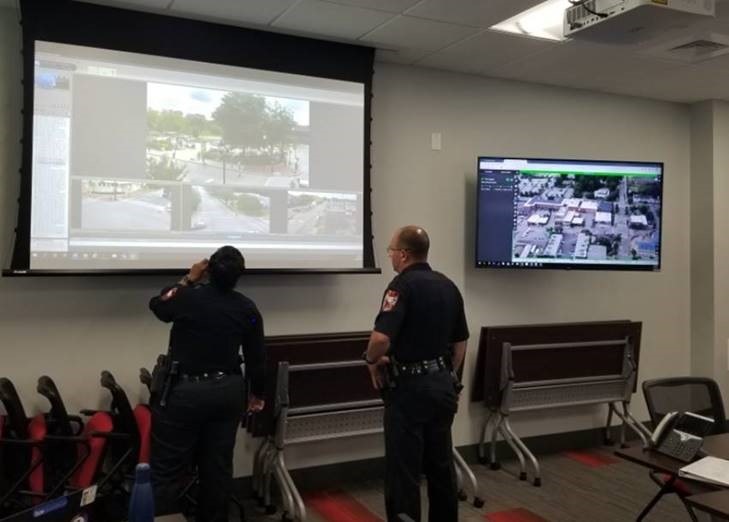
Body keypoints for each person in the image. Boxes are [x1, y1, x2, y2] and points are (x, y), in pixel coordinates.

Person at [149, 246, 265, 522]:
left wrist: (188, 278)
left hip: (185, 393)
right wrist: (256, 394)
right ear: (239, 276)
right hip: (228, 394)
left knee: (169, 470)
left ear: (208, 271)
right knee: (218, 471)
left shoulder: (188, 297)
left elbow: (159, 305)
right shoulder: (247, 309)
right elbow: (257, 357)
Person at [365, 226, 468, 522]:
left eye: (391, 251)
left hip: (409, 390)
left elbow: (380, 340)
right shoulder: (448, 285)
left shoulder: (401, 286)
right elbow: (460, 342)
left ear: (404, 254)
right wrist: (451, 378)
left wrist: (371, 360)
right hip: (442, 385)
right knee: (441, 466)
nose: (390, 256)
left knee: (404, 472)